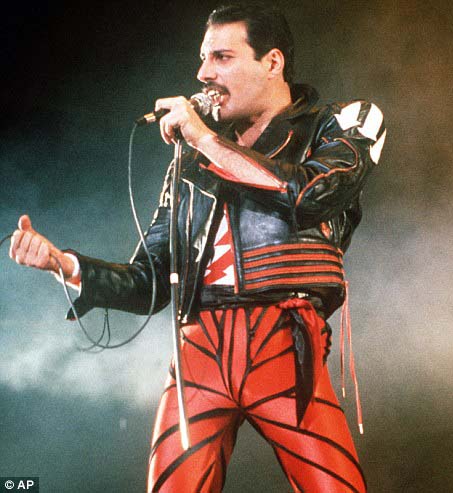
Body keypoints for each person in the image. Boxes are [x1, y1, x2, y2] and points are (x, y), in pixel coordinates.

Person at [9, 4, 386, 492]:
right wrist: (64, 265)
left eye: (222, 57)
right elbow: (148, 281)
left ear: (272, 62)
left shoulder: (343, 122)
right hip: (199, 349)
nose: (204, 73)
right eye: (203, 58)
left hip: (284, 342)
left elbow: (313, 194)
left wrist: (204, 140)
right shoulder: (189, 162)